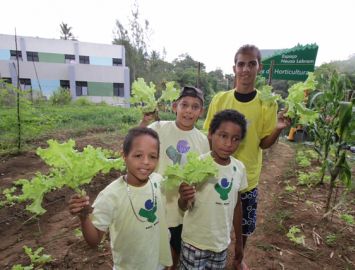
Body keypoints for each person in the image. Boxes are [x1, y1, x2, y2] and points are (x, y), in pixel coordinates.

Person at [203, 44, 290, 269]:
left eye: (251, 64)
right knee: (214, 216)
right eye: (241, 64)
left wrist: (278, 129)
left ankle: (239, 257)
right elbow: (209, 135)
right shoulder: (220, 100)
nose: (245, 69)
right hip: (216, 173)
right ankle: (212, 254)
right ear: (234, 68)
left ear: (259, 68)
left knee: (244, 223)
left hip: (248, 176)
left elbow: (264, 143)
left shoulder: (266, 103)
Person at [68, 127, 172, 270]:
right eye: (138, 155)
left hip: (158, 263)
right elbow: (94, 241)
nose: (146, 162)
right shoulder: (111, 196)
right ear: (124, 155)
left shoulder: (158, 181)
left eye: (153, 156)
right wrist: (84, 216)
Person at [140, 86, 210, 269]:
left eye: (195, 107)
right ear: (174, 107)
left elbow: (202, 175)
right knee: (153, 252)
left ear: (201, 112)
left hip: (182, 210)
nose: (188, 110)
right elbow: (137, 143)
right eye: (184, 105)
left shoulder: (202, 141)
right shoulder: (158, 127)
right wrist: (144, 121)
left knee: (175, 252)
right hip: (156, 203)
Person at [178, 109, 248, 270]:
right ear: (211, 134)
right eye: (223, 136)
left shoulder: (239, 168)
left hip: (221, 245)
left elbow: (237, 206)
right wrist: (183, 198)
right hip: (194, 243)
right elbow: (182, 206)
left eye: (235, 139)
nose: (229, 144)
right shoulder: (197, 164)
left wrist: (239, 243)